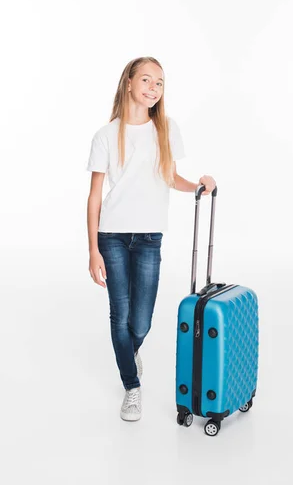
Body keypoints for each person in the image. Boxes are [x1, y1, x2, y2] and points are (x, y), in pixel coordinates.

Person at [86, 56, 216, 422]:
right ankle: (132, 385)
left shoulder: (167, 129)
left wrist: (199, 187)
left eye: (159, 83)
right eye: (146, 80)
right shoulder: (106, 135)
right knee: (120, 314)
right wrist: (93, 248)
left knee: (140, 322)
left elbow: (171, 177)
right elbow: (95, 196)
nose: (153, 88)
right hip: (111, 235)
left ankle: (129, 350)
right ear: (129, 82)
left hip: (148, 238)